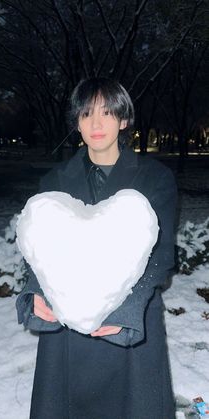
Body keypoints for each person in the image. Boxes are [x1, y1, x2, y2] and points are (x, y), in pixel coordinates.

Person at [16, 77, 177, 418]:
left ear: (123, 120)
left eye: (107, 112)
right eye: (87, 113)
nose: (97, 123)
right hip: (67, 329)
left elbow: (161, 257)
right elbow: (37, 249)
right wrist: (36, 293)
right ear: (77, 122)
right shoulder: (55, 181)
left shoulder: (155, 178)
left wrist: (123, 312)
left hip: (130, 327)